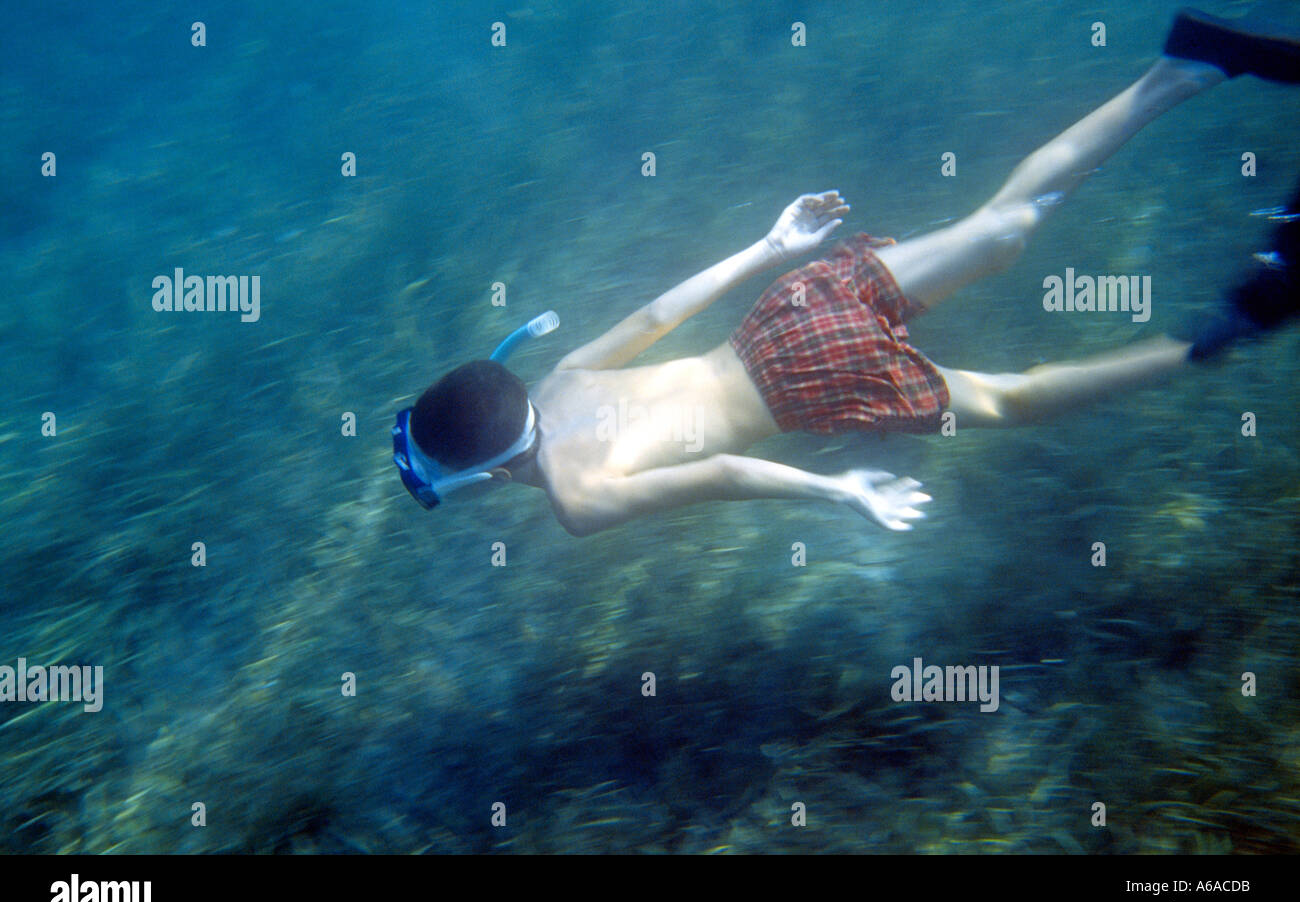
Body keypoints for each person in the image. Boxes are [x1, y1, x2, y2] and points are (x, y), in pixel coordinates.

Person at [393, 8, 1300, 537]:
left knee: (1012, 398)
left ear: (486, 473)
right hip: (786, 313)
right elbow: (654, 312)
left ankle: (1230, 327)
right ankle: (1184, 69)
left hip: (809, 387)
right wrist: (770, 248)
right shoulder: (557, 378)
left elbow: (727, 475)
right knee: (1001, 224)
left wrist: (843, 489)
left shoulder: (577, 498)